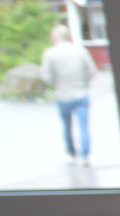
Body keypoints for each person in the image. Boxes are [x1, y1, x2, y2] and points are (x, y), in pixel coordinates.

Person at [40, 24, 96, 163]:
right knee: (83, 126)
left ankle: (71, 153)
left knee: (67, 126)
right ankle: (85, 155)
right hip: (80, 93)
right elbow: (91, 71)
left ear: (55, 37)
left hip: (62, 95)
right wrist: (84, 83)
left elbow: (46, 77)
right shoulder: (80, 51)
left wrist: (56, 85)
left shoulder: (50, 53)